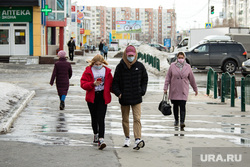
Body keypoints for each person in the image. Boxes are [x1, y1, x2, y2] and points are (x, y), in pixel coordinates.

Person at [112, 45, 148, 150]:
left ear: (135, 55)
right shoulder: (120, 67)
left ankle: (137, 139)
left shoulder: (140, 66)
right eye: (129, 55)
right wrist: (118, 93)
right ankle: (127, 137)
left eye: (132, 55)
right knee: (125, 119)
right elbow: (115, 83)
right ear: (125, 55)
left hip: (136, 97)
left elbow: (145, 79)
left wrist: (142, 90)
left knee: (137, 118)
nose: (131, 57)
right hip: (124, 98)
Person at [80, 54, 113, 150]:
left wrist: (119, 92)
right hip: (92, 96)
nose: (98, 65)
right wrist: (93, 84)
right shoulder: (88, 70)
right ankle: (96, 134)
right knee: (94, 117)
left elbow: (111, 84)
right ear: (93, 63)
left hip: (103, 96)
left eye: (100, 64)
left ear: (103, 63)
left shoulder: (106, 71)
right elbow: (83, 84)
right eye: (96, 64)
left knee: (101, 118)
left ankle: (101, 139)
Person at [163, 51, 198, 129]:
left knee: (182, 105)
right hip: (174, 89)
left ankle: (182, 121)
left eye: (182, 58)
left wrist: (195, 89)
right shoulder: (172, 66)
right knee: (175, 106)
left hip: (183, 89)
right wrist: (165, 88)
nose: (180, 59)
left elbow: (192, 79)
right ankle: (176, 120)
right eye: (179, 58)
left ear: (184, 58)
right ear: (177, 58)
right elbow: (167, 78)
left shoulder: (188, 67)